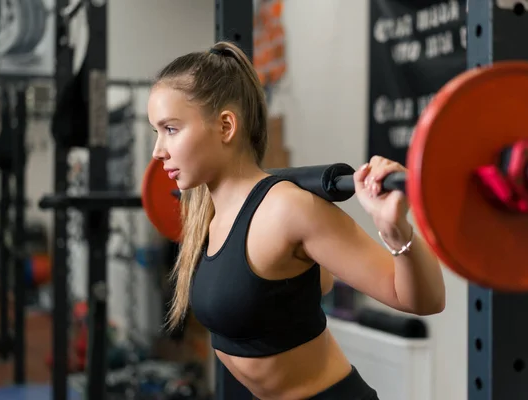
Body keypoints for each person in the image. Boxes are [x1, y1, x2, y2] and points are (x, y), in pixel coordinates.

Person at [148, 41, 446, 400]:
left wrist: (396, 231)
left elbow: (424, 300)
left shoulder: (287, 210)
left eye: (171, 129)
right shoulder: (205, 214)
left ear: (226, 126)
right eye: (156, 132)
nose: (158, 151)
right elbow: (315, 284)